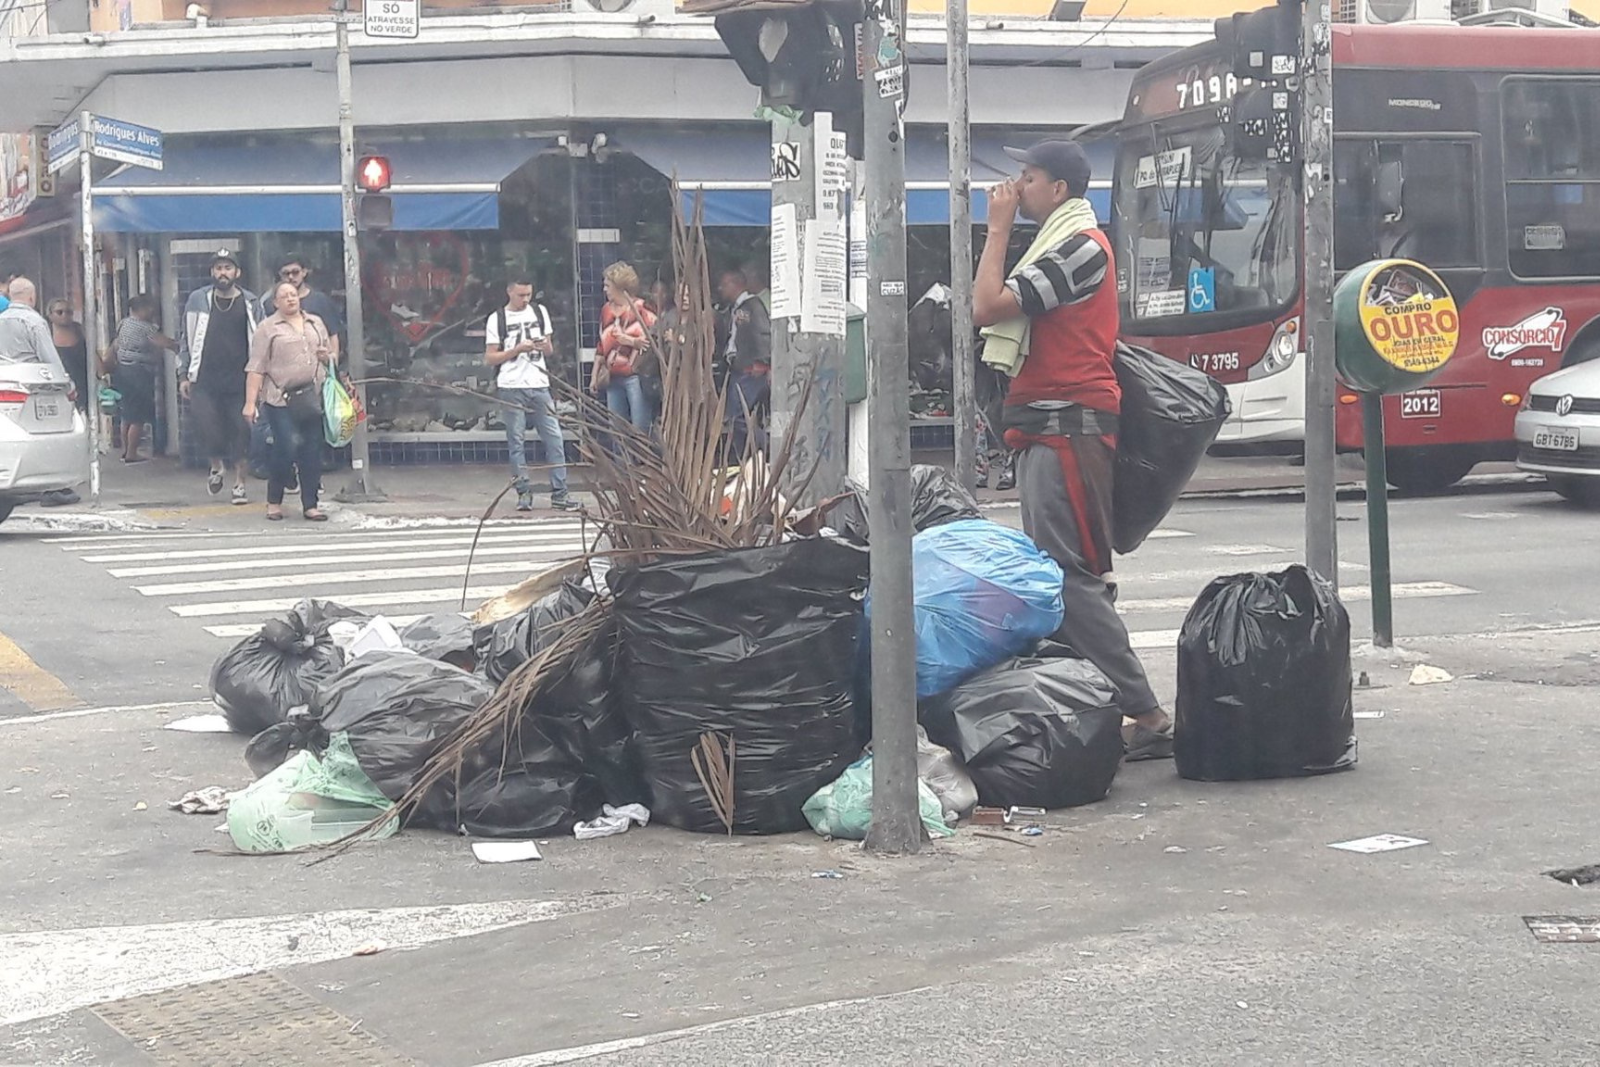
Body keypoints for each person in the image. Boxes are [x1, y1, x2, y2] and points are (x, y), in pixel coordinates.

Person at [972, 139, 1173, 761]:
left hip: (1068, 425)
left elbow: (987, 306)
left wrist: (997, 230)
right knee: (1063, 573)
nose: (1017, 188)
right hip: (1048, 424)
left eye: (1027, 178)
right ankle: (1104, 702)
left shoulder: (1081, 249)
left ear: (1058, 190)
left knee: (1069, 576)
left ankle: (1146, 712)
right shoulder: (1064, 243)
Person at [244, 281, 336, 521]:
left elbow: (330, 354)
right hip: (279, 398)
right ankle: (274, 500)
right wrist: (250, 403)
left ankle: (310, 504)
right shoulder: (267, 328)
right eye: (284, 296)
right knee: (287, 446)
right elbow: (256, 367)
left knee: (312, 450)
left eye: (293, 295)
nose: (290, 299)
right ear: (275, 302)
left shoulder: (315, 322)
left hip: (311, 396)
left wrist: (328, 357)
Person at [485, 277, 577, 513]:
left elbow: (550, 349)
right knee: (516, 441)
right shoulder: (498, 319)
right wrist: (517, 349)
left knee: (554, 437)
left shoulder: (539, 311)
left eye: (528, 295)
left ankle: (560, 492)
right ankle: (523, 492)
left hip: (539, 382)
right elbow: (490, 357)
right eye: (520, 295)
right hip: (511, 384)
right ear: (509, 292)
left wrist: (542, 344)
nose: (525, 300)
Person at [179, 249, 263, 501]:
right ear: (211, 272)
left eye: (227, 268)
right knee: (207, 427)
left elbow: (261, 340)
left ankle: (240, 484)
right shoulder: (197, 300)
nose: (222, 273)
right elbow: (187, 337)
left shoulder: (251, 302)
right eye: (218, 268)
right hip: (204, 379)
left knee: (242, 430)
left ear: (237, 272)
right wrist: (184, 373)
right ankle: (216, 466)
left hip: (240, 381)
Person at [108, 294, 178, 464]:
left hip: (123, 370)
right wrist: (180, 346)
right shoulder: (145, 327)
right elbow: (164, 343)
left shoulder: (123, 323)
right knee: (138, 413)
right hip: (138, 372)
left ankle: (126, 451)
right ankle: (132, 453)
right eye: (149, 307)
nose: (152, 311)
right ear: (141, 309)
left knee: (127, 412)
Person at [592, 261, 656, 433]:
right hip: (612, 377)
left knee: (639, 426)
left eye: (607, 285)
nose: (604, 290)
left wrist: (631, 341)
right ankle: (620, 460)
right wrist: (594, 375)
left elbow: (653, 341)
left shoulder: (642, 309)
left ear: (620, 286)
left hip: (635, 376)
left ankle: (642, 459)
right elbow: (601, 344)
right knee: (616, 428)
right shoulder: (606, 310)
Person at [716, 268, 771, 457]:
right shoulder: (734, 309)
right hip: (737, 369)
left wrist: (763, 362)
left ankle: (769, 448)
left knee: (739, 417)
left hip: (750, 370)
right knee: (735, 418)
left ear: (735, 284)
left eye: (724, 285)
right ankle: (747, 458)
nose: (721, 289)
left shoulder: (752, 306)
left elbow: (762, 333)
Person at [46, 299, 89, 410]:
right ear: (50, 315)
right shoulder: (46, 337)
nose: (64, 315)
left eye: (69, 312)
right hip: (56, 387)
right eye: (59, 312)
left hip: (81, 387)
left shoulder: (80, 333)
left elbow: (93, 357)